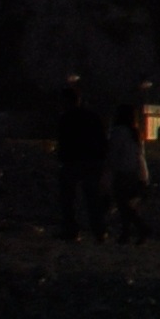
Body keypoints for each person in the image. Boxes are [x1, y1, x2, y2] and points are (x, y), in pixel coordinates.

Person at [53, 81, 111, 242]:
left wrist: (62, 157)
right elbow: (102, 139)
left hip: (73, 161)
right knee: (92, 198)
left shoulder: (66, 118)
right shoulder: (92, 117)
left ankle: (71, 230)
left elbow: (64, 141)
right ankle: (99, 231)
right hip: (93, 161)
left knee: (68, 199)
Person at [106, 96, 154, 243]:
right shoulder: (136, 134)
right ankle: (127, 233)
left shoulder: (118, 132)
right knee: (127, 203)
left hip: (123, 171)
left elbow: (113, 152)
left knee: (122, 204)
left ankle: (139, 229)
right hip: (137, 172)